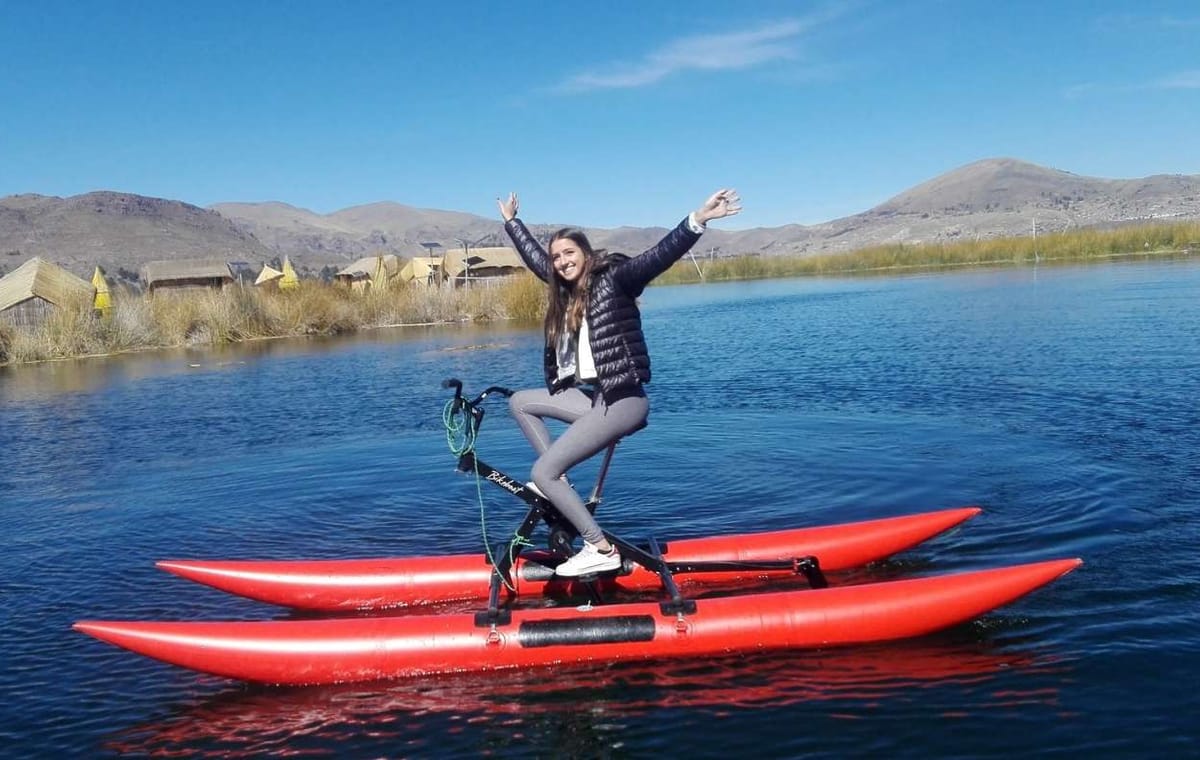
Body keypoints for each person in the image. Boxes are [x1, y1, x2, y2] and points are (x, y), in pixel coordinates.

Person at [497, 189, 742, 576]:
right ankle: (559, 481)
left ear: (586, 253)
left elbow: (659, 256)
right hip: (598, 400)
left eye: (568, 253)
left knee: (539, 474)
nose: (561, 262)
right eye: (556, 257)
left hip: (623, 400)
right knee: (520, 402)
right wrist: (513, 223)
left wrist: (697, 220)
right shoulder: (568, 290)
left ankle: (600, 547)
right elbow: (535, 260)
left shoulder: (615, 279)